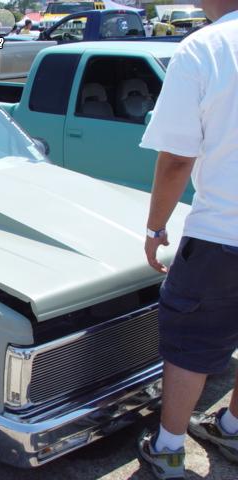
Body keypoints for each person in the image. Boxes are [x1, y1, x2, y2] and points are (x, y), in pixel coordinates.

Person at [137, 0, 238, 478]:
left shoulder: (205, 48)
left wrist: (156, 227)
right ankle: (232, 428)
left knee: (191, 344)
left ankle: (169, 449)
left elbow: (177, 158)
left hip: (222, 233)